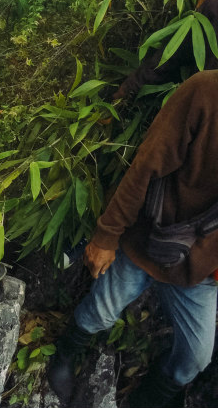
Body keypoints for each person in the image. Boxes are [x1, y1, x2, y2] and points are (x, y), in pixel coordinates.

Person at [48, 70, 218, 408]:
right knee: (101, 311)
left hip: (200, 268)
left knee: (195, 359)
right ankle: (65, 354)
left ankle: (147, 399)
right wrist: (106, 235)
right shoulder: (205, 91)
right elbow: (146, 165)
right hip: (150, 236)